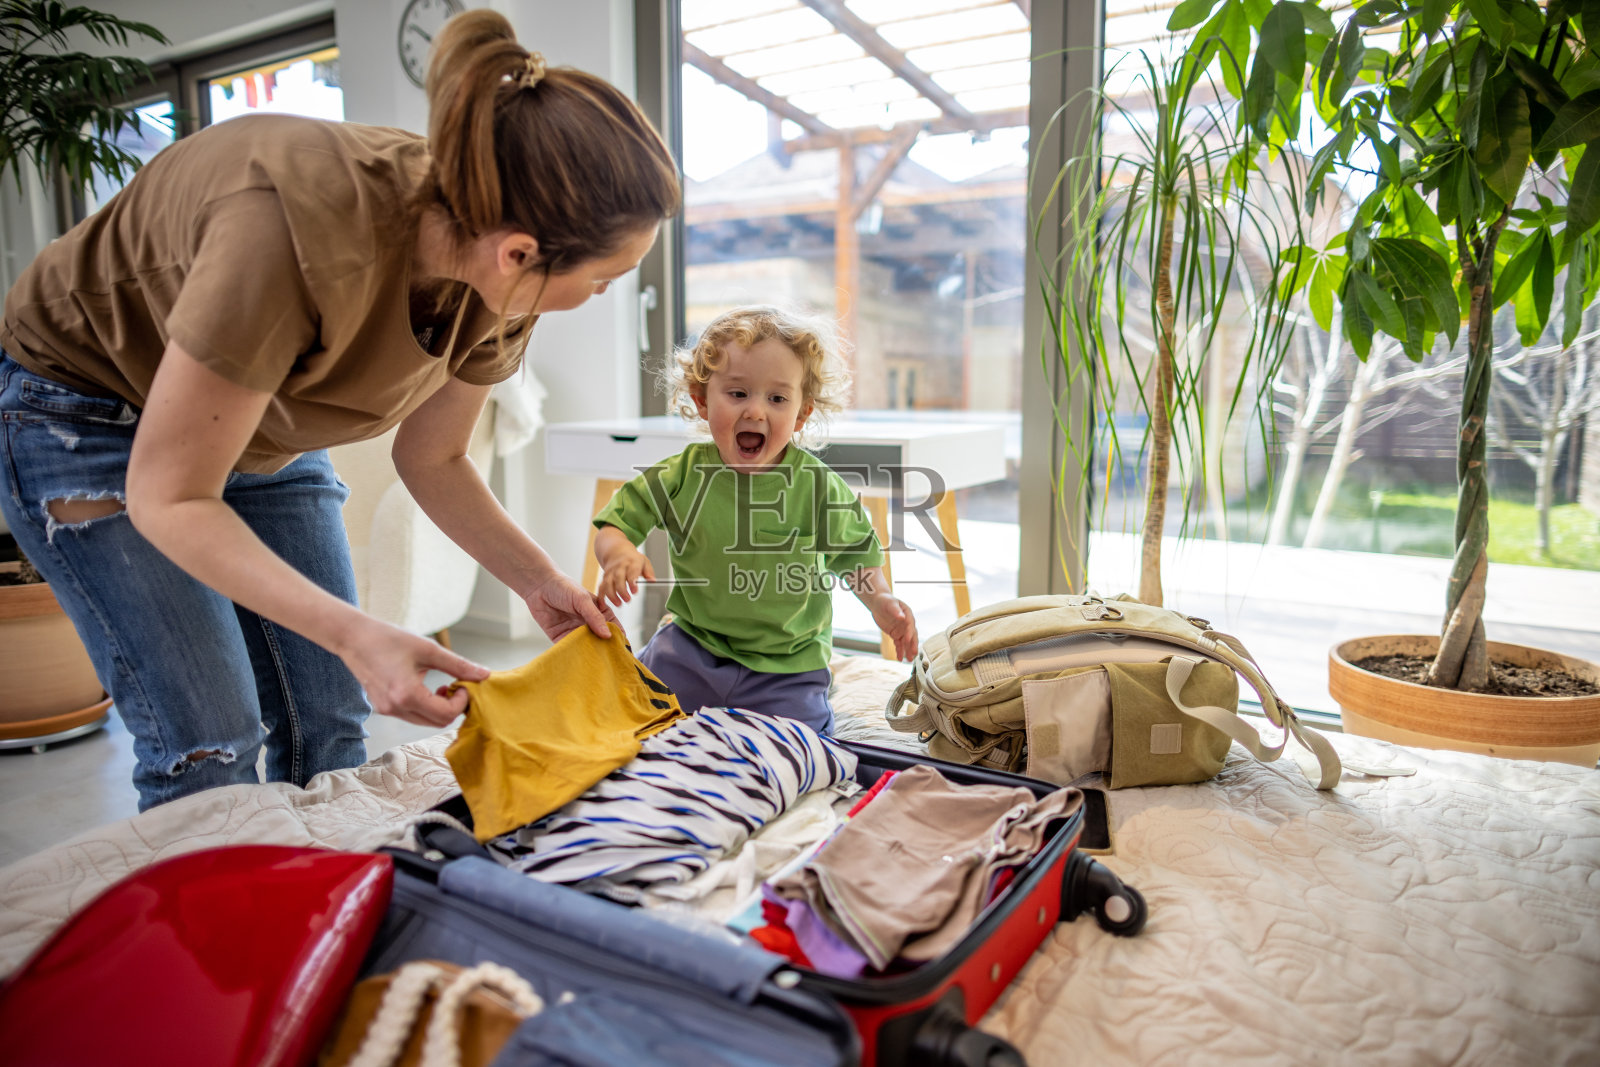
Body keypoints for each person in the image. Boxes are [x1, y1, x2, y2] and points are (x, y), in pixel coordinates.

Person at [0, 10, 680, 810]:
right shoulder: (287, 230)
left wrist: (540, 583)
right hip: (86, 415)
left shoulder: (508, 281)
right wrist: (360, 634)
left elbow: (434, 457)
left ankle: (314, 907)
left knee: (327, 723)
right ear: (520, 253)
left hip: (270, 431)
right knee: (211, 741)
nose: (599, 298)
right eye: (602, 280)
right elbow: (171, 493)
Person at [593, 306, 918, 735]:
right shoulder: (682, 474)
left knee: (806, 742)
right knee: (627, 712)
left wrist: (879, 601)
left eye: (777, 398)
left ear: (802, 414)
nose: (756, 412)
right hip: (693, 647)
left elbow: (854, 557)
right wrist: (618, 554)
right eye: (738, 393)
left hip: (788, 664)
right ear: (701, 399)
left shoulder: (818, 486)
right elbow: (617, 522)